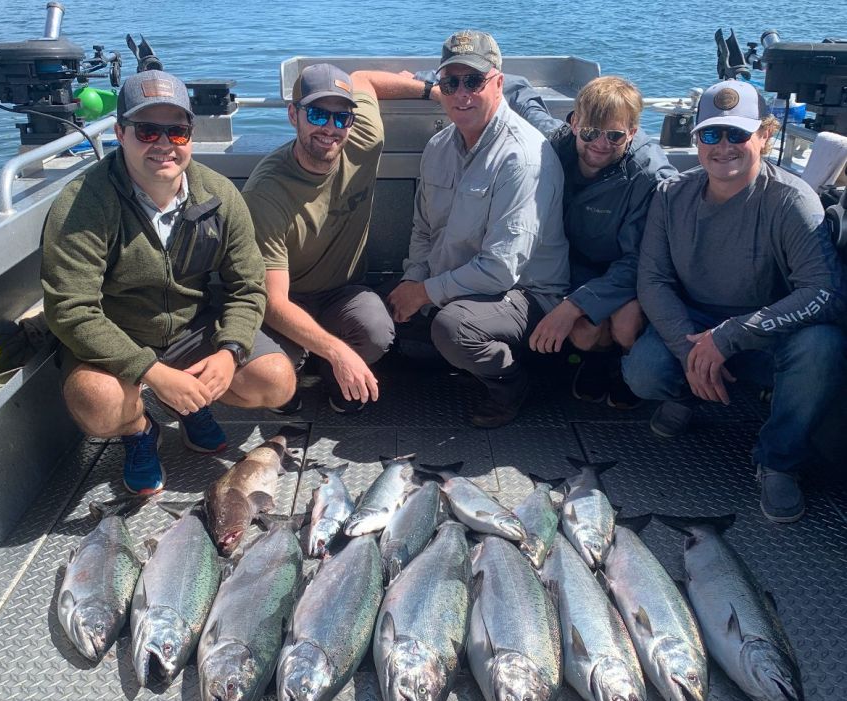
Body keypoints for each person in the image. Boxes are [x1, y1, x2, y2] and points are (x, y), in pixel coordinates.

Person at [42, 69, 296, 495]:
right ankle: (140, 430)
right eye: (147, 130)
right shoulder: (83, 203)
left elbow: (247, 286)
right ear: (121, 133)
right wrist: (151, 373)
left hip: (190, 333)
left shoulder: (218, 195)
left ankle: (193, 404)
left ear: (191, 136)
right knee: (99, 405)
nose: (163, 144)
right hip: (116, 338)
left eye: (176, 132)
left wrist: (230, 351)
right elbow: (71, 310)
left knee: (276, 379)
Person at [622, 79, 846, 523]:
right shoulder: (671, 195)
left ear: (765, 135)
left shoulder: (791, 201)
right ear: (696, 141)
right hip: (695, 325)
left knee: (824, 346)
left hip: (767, 335)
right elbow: (653, 280)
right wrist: (693, 352)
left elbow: (824, 292)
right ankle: (692, 393)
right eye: (710, 134)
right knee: (642, 372)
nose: (723, 146)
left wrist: (730, 337)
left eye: (738, 134)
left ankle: (779, 460)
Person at [387, 30, 570, 428]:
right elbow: (423, 230)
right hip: (457, 284)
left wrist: (422, 293)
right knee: (381, 322)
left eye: (473, 81)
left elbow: (502, 270)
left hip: (524, 293)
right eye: (450, 83)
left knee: (454, 329)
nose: (461, 93)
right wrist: (411, 281)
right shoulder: (437, 147)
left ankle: (513, 383)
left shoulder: (522, 158)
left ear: (499, 83)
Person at [242, 64, 436, 413]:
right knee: (271, 374)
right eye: (317, 114)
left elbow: (362, 78)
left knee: (377, 331)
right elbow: (273, 302)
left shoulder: (363, 140)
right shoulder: (266, 192)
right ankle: (296, 377)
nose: (330, 128)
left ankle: (334, 382)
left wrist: (431, 91)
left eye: (341, 117)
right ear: (293, 115)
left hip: (342, 292)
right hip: (288, 298)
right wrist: (338, 351)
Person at [502, 74, 677, 408]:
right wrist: (428, 84)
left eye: (615, 135)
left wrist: (574, 305)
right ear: (574, 123)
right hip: (577, 264)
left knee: (626, 325)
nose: (600, 143)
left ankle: (624, 364)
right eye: (590, 132)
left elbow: (642, 259)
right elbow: (517, 93)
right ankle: (595, 359)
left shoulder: (648, 175)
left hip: (630, 271)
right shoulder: (555, 143)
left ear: (633, 133)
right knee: (584, 332)